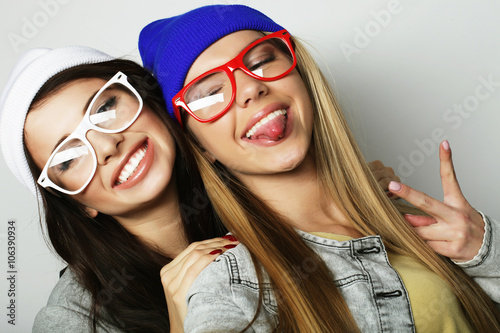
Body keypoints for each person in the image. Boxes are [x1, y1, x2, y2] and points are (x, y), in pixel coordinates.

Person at [139, 4, 500, 332]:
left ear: (302, 77)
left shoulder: (404, 218)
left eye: (260, 61)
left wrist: (484, 253)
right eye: (210, 93)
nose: (250, 88)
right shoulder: (229, 281)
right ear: (200, 144)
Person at [0, 46, 243, 332]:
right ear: (77, 203)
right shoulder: (71, 320)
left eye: (104, 110)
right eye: (68, 158)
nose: (106, 146)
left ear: (147, 99)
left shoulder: (256, 178)